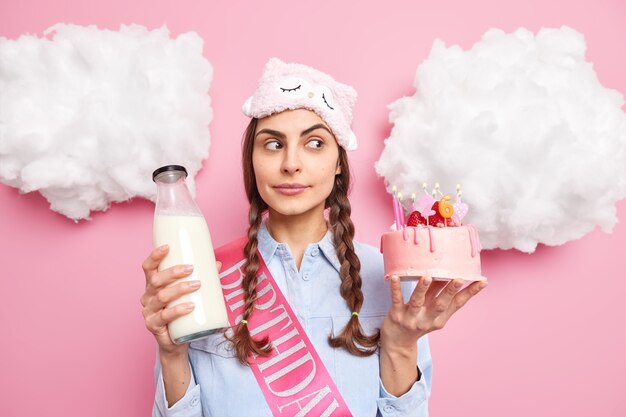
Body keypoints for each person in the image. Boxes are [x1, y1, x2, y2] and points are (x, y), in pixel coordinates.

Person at [140, 58, 488, 417]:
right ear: (252, 160)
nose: (291, 163)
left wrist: (400, 346)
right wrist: (171, 353)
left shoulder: (389, 277)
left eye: (315, 143)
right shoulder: (205, 275)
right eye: (273, 145)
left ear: (339, 162)